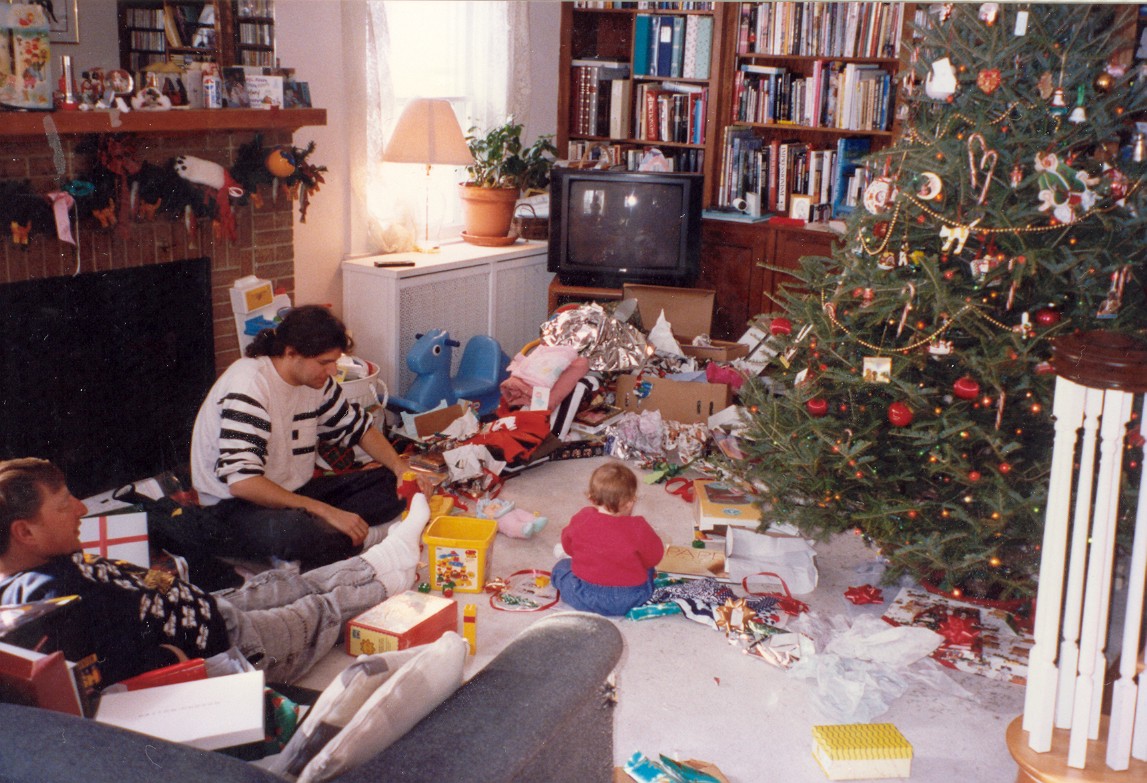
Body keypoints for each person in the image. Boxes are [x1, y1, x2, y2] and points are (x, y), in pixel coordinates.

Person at [0, 457, 428, 687]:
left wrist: (182, 593)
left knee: (282, 584)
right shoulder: (41, 608)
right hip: (229, 649)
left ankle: (387, 557)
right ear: (25, 532)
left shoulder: (49, 556)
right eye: (63, 505)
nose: (81, 509)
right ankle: (393, 578)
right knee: (319, 612)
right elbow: (94, 683)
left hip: (205, 609)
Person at [191, 305, 430, 571]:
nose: (332, 371)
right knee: (297, 531)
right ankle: (367, 542)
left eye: (334, 362)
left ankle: (325, 545)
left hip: (292, 495)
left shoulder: (316, 382)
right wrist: (325, 511)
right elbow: (243, 483)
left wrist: (401, 469)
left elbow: (358, 428)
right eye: (324, 363)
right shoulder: (250, 386)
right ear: (291, 352)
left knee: (391, 483)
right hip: (232, 507)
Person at [551, 461, 664, 616]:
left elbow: (568, 546)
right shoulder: (639, 526)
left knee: (561, 567)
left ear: (591, 498)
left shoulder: (582, 518)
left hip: (584, 596)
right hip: (632, 597)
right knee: (648, 569)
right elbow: (654, 557)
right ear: (630, 502)